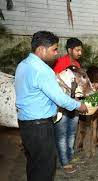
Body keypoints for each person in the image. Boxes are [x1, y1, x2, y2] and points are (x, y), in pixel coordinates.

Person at [15, 31, 88, 181]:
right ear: (41, 50)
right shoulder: (43, 70)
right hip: (40, 126)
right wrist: (79, 105)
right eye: (54, 49)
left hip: (25, 124)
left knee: (34, 163)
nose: (56, 53)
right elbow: (60, 98)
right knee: (45, 168)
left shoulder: (23, 65)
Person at [52, 38, 83, 173]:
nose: (80, 52)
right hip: (62, 106)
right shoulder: (59, 63)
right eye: (77, 50)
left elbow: (80, 84)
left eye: (81, 50)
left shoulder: (77, 64)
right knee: (62, 135)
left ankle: (69, 157)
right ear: (70, 50)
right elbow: (55, 84)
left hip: (74, 105)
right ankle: (65, 162)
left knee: (71, 133)